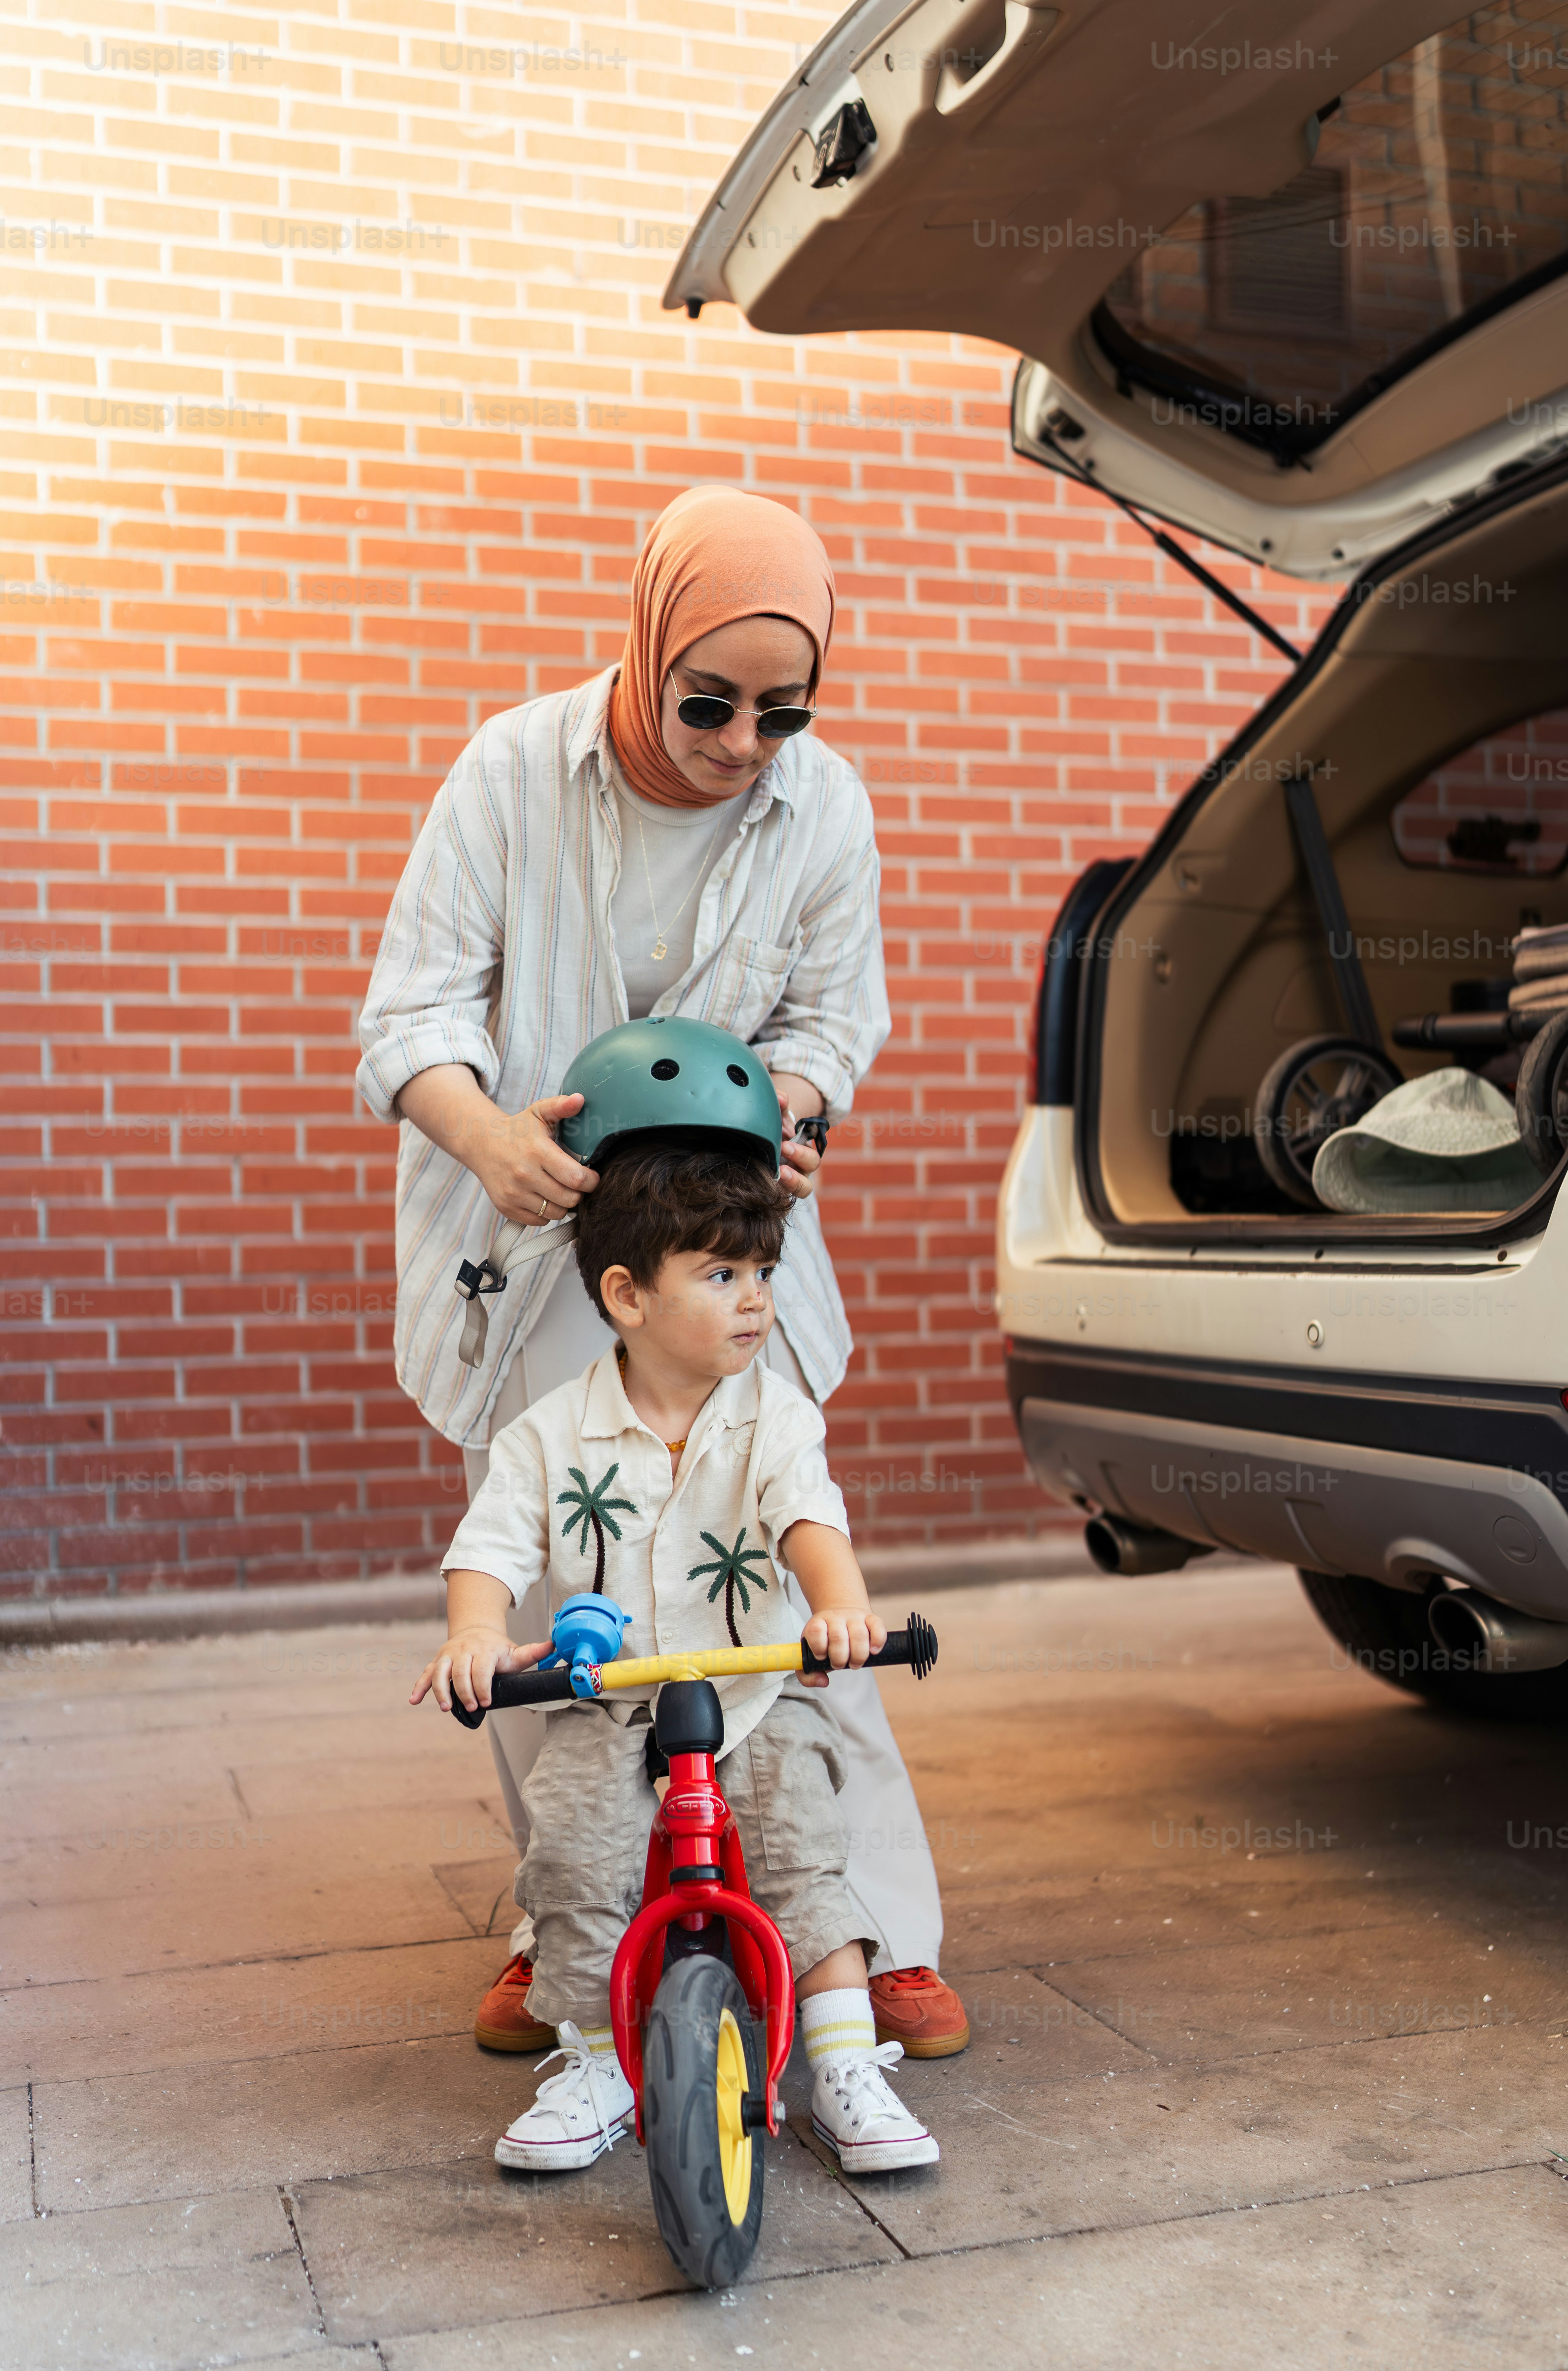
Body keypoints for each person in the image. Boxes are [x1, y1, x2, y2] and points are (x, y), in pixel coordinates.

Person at [356, 485, 967, 2060]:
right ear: (642, 645)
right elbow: (410, 1016)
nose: (745, 742)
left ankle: (866, 1930)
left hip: (722, 1250)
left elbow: (834, 1020)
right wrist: (489, 1140)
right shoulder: (511, 771)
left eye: (785, 710)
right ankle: (563, 1929)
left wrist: (800, 1114)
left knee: (792, 1570)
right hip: (535, 1235)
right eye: (710, 703)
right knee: (559, 1602)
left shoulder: (823, 804)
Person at [411, 1135, 941, 2174]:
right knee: (573, 1852)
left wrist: (840, 1610)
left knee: (801, 1841)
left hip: (752, 1692)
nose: (756, 1302)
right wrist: (476, 1630)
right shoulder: (547, 1435)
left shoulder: (775, 1419)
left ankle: (844, 2063)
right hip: (609, 1700)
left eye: (763, 1274)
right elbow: (491, 1547)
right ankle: (596, 2060)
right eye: (721, 1275)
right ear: (627, 1296)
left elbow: (811, 1523)